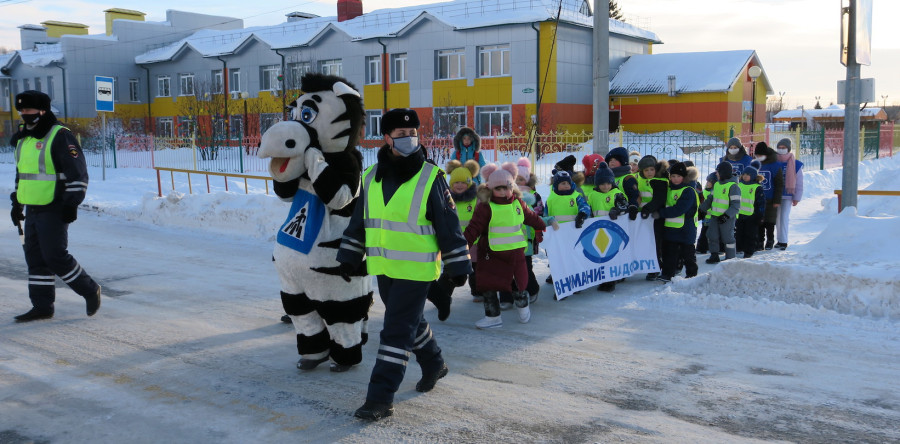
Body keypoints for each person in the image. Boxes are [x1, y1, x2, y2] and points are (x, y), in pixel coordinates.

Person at [337, 108, 472, 421]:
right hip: (385, 269)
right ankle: (435, 363)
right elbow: (360, 222)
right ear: (386, 138)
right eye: (401, 135)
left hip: (417, 271)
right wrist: (348, 255)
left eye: (413, 134)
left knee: (395, 332)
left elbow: (449, 226)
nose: (409, 139)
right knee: (408, 323)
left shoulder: (431, 178)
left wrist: (458, 265)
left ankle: (380, 398)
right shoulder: (370, 178)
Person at [9, 90, 101, 322]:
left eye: (28, 110)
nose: (24, 115)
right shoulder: (25, 138)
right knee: (35, 258)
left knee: (54, 256)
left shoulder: (59, 135)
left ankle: (90, 289)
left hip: (55, 205)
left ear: (43, 110)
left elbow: (78, 172)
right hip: (32, 206)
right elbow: (24, 174)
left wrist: (71, 203)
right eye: (21, 111)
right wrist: (17, 202)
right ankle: (42, 306)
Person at [464, 162, 546, 329]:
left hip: (515, 253)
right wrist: (463, 244)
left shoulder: (518, 203)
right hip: (490, 253)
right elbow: (474, 227)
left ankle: (524, 309)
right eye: (498, 188)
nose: (503, 192)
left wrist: (541, 225)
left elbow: (530, 217)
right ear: (490, 189)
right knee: (489, 283)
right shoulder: (486, 207)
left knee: (518, 282)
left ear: (512, 186)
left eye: (506, 187)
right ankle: (493, 317)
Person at [499, 157, 542, 307]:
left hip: (526, 239)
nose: (519, 182)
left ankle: (532, 289)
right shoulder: (506, 194)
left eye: (522, 179)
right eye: (516, 179)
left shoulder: (534, 195)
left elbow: (539, 213)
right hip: (507, 239)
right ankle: (506, 297)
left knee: (524, 268)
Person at [586, 161, 628, 291]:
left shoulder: (617, 193)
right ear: (598, 183)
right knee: (600, 256)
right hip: (598, 230)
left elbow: (624, 206)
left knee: (612, 256)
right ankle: (603, 279)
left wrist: (617, 209)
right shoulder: (592, 195)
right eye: (603, 183)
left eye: (609, 183)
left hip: (613, 230)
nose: (606, 186)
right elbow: (589, 208)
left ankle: (611, 281)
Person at [445, 159, 481, 303]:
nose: (459, 185)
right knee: (452, 270)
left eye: (463, 182)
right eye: (456, 182)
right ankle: (443, 293)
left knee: (475, 269)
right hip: (454, 242)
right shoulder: (446, 199)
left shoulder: (475, 199)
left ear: (469, 183)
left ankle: (478, 292)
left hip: (474, 242)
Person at [656, 162, 700, 282]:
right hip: (670, 228)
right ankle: (667, 274)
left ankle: (692, 275)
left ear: (684, 177)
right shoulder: (669, 189)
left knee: (688, 255)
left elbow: (679, 209)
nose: (675, 179)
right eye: (673, 176)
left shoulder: (688, 191)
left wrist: (661, 213)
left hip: (686, 229)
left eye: (678, 176)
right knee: (669, 253)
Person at [635, 155, 669, 280]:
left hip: (656, 215)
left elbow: (660, 198)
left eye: (652, 169)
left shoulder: (661, 180)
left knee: (656, 243)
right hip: (643, 217)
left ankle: (656, 267)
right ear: (641, 171)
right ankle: (649, 266)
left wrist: (650, 209)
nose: (649, 172)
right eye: (646, 170)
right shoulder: (637, 179)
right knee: (646, 243)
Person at [699, 161, 741, 263]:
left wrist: (726, 216)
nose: (716, 174)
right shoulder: (717, 184)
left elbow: (736, 205)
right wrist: (701, 210)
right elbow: (710, 199)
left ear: (723, 172)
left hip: (727, 218)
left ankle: (730, 258)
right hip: (714, 216)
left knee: (728, 239)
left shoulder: (733, 186)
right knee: (712, 235)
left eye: (717, 172)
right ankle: (714, 255)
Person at [752, 142, 784, 251]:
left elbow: (779, 184)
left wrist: (777, 200)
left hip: (770, 199)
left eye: (760, 155)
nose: (758, 157)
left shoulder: (775, 165)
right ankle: (759, 241)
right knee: (759, 221)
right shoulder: (754, 165)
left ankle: (770, 240)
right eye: (757, 155)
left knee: (770, 222)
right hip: (757, 199)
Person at [774, 138, 804, 250]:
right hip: (775, 195)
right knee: (777, 218)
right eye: (779, 147)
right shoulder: (774, 161)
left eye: (784, 147)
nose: (781, 150)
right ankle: (779, 240)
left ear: (789, 149)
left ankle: (784, 241)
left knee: (784, 217)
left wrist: (797, 197)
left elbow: (799, 182)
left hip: (787, 194)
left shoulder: (795, 163)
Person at [735, 165, 765, 259]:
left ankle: (749, 251)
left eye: (747, 174)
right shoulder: (739, 185)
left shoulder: (757, 187)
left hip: (752, 216)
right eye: (744, 174)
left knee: (750, 234)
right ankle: (739, 248)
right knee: (739, 233)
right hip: (740, 214)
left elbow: (761, 203)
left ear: (753, 176)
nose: (745, 176)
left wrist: (760, 216)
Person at [694, 172, 717, 255]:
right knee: (704, 232)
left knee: (707, 233)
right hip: (705, 216)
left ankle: (702, 248)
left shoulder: (714, 192)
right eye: (707, 181)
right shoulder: (705, 192)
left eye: (709, 182)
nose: (707, 183)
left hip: (712, 217)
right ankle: (703, 247)